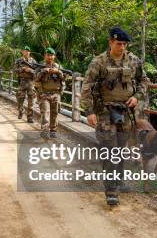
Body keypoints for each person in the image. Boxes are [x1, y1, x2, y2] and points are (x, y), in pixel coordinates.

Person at [80, 27, 149, 206]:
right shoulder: (99, 62)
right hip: (104, 112)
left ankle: (118, 180)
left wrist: (137, 97)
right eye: (119, 43)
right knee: (110, 150)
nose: (122, 47)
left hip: (125, 113)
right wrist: (89, 112)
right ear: (110, 42)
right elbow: (87, 86)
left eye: (125, 44)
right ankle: (111, 190)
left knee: (120, 148)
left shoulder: (133, 61)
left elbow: (143, 80)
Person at [34, 47, 66, 139]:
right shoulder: (40, 66)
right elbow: (35, 78)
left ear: (54, 56)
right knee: (45, 112)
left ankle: (53, 130)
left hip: (56, 94)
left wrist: (58, 72)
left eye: (52, 55)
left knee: (55, 112)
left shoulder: (58, 66)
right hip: (44, 93)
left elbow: (65, 78)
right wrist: (43, 71)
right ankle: (45, 130)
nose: (50, 57)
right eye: (48, 55)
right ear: (45, 56)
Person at [13, 46, 37, 122]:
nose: (26, 52)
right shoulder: (18, 61)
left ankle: (30, 117)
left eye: (28, 51)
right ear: (22, 52)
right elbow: (14, 71)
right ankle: (21, 111)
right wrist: (22, 69)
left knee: (31, 101)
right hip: (22, 82)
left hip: (31, 82)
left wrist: (30, 70)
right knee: (20, 99)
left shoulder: (33, 61)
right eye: (25, 51)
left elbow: (37, 72)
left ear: (30, 52)